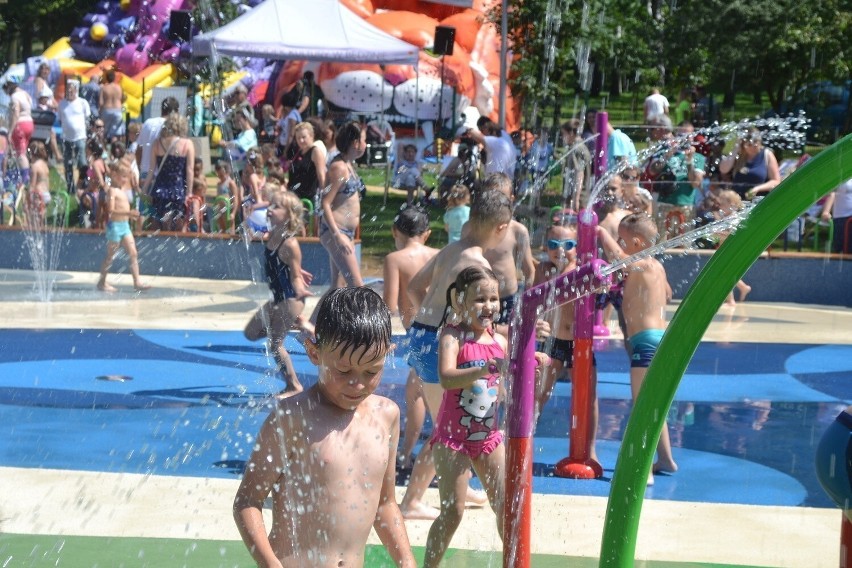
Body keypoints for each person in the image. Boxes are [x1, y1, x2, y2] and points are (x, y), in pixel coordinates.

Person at [233, 286, 416, 568]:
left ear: (387, 354)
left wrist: (406, 561)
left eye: (371, 371)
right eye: (343, 371)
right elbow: (247, 500)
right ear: (314, 352)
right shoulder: (292, 418)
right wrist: (270, 563)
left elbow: (385, 503)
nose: (357, 383)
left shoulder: (386, 416)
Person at [400, 188, 512, 520]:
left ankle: (436, 490)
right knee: (447, 429)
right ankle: (412, 500)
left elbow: (413, 287)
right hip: (438, 342)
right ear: (501, 228)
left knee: (445, 424)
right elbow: (477, 317)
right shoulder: (476, 263)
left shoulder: (452, 249)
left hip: (422, 335)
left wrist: (430, 322)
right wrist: (451, 333)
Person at [423, 266, 508, 568]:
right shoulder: (453, 335)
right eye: (479, 299)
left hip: (489, 439)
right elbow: (446, 378)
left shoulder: (501, 341)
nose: (488, 306)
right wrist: (485, 369)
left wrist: (531, 362)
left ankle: (513, 562)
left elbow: (509, 387)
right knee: (453, 511)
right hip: (452, 440)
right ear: (460, 301)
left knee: (507, 507)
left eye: (494, 299)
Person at [596, 213, 677, 484]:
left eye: (623, 240)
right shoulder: (656, 267)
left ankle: (643, 469)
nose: (619, 243)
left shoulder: (641, 263)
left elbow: (619, 257)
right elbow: (666, 292)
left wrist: (600, 233)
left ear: (638, 242)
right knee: (653, 404)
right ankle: (665, 459)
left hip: (647, 344)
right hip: (661, 342)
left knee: (642, 406)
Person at [533, 222, 599, 453]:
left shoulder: (582, 269)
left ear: (578, 247)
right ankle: (524, 439)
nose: (560, 250)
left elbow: (601, 288)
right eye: (553, 244)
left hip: (578, 344)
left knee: (587, 397)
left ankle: (590, 448)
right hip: (551, 342)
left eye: (568, 244)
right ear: (545, 246)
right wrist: (535, 321)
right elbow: (532, 301)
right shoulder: (542, 270)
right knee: (538, 393)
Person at [382, 206, 439, 469]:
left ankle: (409, 457)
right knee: (426, 390)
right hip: (442, 328)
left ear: (395, 231)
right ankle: (413, 454)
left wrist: (380, 336)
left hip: (419, 332)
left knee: (417, 394)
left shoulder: (395, 259)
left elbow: (390, 305)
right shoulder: (439, 255)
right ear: (426, 234)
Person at [243, 189, 313, 399]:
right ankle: (299, 324)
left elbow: (294, 276)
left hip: (291, 299)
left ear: (290, 215)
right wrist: (247, 217)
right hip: (277, 298)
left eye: (276, 207)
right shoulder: (272, 235)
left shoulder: (290, 243)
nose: (269, 210)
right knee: (251, 332)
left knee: (275, 344)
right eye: (270, 206)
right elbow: (254, 234)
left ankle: (294, 386)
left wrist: (300, 286)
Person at [481, 173, 536, 332]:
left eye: (501, 197)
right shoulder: (473, 229)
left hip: (507, 298)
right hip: (479, 298)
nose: (496, 202)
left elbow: (529, 270)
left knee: (507, 344)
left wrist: (527, 302)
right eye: (490, 196)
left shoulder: (517, 230)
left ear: (511, 198)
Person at [319, 121, 366, 290]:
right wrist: (337, 235)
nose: (366, 144)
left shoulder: (348, 164)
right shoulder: (338, 167)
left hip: (346, 233)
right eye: (364, 140)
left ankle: (316, 318)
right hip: (336, 232)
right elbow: (325, 203)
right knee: (357, 286)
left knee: (336, 288)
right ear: (356, 143)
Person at [646, 116, 705, 238]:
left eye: (689, 135)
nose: (685, 138)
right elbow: (652, 171)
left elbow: (695, 183)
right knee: (660, 244)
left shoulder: (698, 157)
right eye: (682, 134)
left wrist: (689, 162)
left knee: (685, 246)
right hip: (664, 204)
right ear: (675, 134)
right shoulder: (663, 152)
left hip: (686, 205)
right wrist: (668, 154)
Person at [97, 160, 149, 292]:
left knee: (133, 253)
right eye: (123, 176)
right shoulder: (112, 191)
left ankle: (137, 282)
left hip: (125, 226)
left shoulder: (121, 190)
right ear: (114, 176)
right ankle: (102, 282)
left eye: (127, 177)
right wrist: (128, 212)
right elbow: (111, 211)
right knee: (110, 256)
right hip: (115, 226)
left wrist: (130, 215)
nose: (126, 180)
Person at [144, 112, 194, 231]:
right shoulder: (187, 144)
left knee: (159, 221)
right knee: (179, 222)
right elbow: (190, 170)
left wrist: (145, 189)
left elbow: (152, 169)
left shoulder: (157, 143)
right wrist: (189, 193)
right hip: (178, 188)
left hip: (160, 187)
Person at [714, 190, 751, 305]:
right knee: (726, 274)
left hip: (730, 250)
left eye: (723, 204)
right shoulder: (726, 217)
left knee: (725, 274)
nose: (720, 206)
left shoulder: (734, 218)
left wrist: (719, 233)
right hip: (723, 250)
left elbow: (732, 234)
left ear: (732, 205)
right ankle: (741, 289)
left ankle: (731, 300)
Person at [722, 127, 780, 200]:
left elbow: (776, 181)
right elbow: (723, 170)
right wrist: (736, 148)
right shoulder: (738, 156)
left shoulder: (767, 155)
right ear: (744, 145)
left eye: (756, 141)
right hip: (738, 202)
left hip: (758, 202)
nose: (755, 145)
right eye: (750, 144)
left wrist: (757, 188)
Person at [136, 96, 179, 189]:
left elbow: (139, 149)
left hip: (145, 172)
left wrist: (140, 169)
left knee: (145, 202)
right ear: (175, 112)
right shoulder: (172, 127)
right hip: (164, 176)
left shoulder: (147, 123)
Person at [4, 81, 35, 187]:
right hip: (30, 123)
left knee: (20, 153)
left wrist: (10, 131)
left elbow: (16, 113)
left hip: (20, 126)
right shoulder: (26, 94)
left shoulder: (14, 97)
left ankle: (25, 179)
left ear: (9, 89)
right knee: (23, 151)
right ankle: (26, 174)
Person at [287, 121, 326, 203]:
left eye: (304, 137)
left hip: (308, 200)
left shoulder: (315, 151)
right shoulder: (299, 152)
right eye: (298, 138)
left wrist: (324, 199)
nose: (301, 140)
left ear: (311, 136)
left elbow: (322, 176)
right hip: (295, 198)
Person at [559, 119, 592, 211]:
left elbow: (579, 173)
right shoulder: (583, 146)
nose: (562, 137)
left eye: (564, 134)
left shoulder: (575, 149)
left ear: (571, 133)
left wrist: (576, 199)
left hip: (577, 196)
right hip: (584, 194)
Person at [79, 137, 106, 228]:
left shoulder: (95, 164)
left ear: (90, 150)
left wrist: (86, 190)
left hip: (96, 192)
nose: (85, 151)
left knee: (98, 220)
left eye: (86, 149)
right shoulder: (101, 161)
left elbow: (98, 181)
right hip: (98, 192)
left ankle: (91, 225)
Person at [820, 178, 852, 254]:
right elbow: (832, 194)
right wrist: (826, 211)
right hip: (842, 216)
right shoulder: (841, 176)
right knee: (842, 247)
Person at [25, 140, 51, 226]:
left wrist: (27, 199)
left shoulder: (34, 166)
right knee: (41, 220)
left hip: (38, 195)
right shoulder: (45, 164)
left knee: (34, 222)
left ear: (32, 153)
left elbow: (32, 185)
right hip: (46, 195)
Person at [276, 85, 302, 169]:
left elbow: (291, 134)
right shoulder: (288, 113)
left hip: (289, 146)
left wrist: (286, 150)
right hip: (283, 142)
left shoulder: (292, 116)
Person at [99, 68, 125, 143]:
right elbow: (122, 98)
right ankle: (114, 152)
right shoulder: (119, 87)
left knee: (105, 132)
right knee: (115, 134)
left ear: (106, 78)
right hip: (117, 110)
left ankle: (105, 151)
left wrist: (100, 113)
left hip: (107, 109)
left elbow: (101, 102)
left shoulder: (104, 88)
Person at [214, 161, 239, 233]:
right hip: (220, 210)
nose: (220, 177)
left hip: (228, 210)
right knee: (222, 230)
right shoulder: (219, 184)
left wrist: (233, 213)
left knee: (230, 230)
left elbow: (235, 198)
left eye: (222, 175)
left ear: (227, 172)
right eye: (218, 175)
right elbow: (218, 197)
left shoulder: (230, 183)